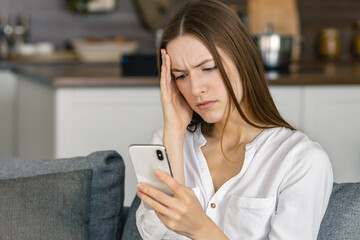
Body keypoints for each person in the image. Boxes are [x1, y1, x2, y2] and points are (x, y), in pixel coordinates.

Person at [135, 0, 333, 239]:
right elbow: (151, 235)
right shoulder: (168, 142)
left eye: (208, 68)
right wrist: (174, 137)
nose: (196, 88)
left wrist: (199, 227)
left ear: (242, 59)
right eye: (181, 75)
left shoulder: (300, 161)